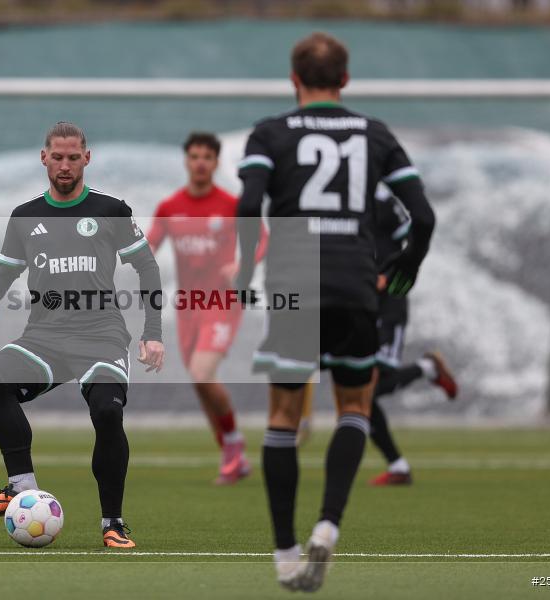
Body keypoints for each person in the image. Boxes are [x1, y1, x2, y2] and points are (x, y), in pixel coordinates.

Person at [235, 33, 435, 591]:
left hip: (295, 279)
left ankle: (284, 553)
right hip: (354, 281)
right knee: (354, 406)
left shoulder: (270, 133)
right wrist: (403, 269)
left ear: (293, 79)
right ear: (345, 80)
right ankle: (327, 525)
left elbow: (249, 205)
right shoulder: (374, 133)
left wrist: (241, 272)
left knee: (283, 416)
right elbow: (421, 215)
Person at [0, 122, 164, 549]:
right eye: (57, 157)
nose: (65, 165)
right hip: (45, 337)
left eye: (74, 157)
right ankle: (20, 487)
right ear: (44, 158)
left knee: (108, 414)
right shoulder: (24, 216)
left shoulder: (111, 210)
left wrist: (153, 332)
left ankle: (113, 522)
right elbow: (4, 271)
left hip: (102, 336)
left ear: (86, 159)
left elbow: (147, 268)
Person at [148, 132, 267, 485]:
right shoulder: (170, 207)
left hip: (222, 303)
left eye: (207, 157)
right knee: (201, 383)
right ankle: (233, 455)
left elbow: (263, 237)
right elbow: (150, 242)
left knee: (202, 373)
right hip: (187, 307)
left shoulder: (231, 205)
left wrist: (244, 265)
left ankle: (233, 444)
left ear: (215, 163)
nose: (200, 162)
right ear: (186, 161)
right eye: (194, 156)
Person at [367, 184, 458, 485]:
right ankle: (398, 467)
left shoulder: (382, 200)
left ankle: (398, 466)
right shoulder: (338, 199)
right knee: (358, 391)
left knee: (365, 391)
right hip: (356, 302)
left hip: (388, 302)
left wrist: (390, 274)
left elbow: (414, 233)